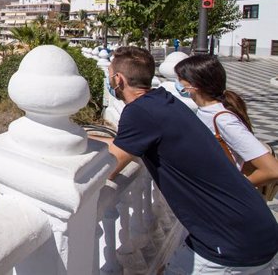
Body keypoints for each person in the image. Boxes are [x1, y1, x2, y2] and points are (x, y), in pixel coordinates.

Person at [102, 47, 278, 273]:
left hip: (229, 243)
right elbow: (125, 143)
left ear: (118, 79)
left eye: (109, 72)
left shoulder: (139, 112)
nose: (108, 78)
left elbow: (109, 166)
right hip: (257, 230)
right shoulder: (163, 100)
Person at [174, 54, 278, 187]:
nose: (177, 83)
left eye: (180, 79)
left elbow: (272, 169)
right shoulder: (204, 111)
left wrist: (233, 190)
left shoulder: (224, 120)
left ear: (195, 85)